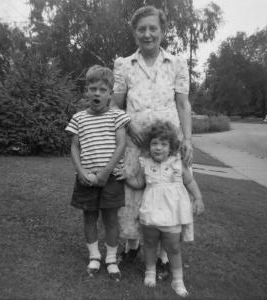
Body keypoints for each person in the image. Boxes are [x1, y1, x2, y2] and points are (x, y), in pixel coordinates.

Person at [112, 5, 193, 273]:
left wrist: (188, 140)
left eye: (152, 28)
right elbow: (116, 106)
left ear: (162, 30)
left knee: (166, 195)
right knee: (133, 196)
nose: (147, 34)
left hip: (168, 147)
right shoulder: (124, 65)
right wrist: (126, 124)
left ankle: (164, 255)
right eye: (141, 29)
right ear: (135, 33)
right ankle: (132, 247)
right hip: (135, 145)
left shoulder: (178, 64)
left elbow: (183, 104)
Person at [116, 120, 204, 297]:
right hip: (150, 212)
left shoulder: (178, 164)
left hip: (172, 214)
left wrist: (198, 198)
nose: (158, 148)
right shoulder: (146, 164)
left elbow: (190, 181)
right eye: (154, 143)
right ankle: (150, 271)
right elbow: (139, 183)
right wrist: (126, 176)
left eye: (164, 144)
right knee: (149, 244)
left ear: (171, 146)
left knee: (173, 247)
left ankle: (178, 280)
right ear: (149, 145)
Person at [65, 65, 131, 281]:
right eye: (93, 88)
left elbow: (121, 145)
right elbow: (74, 147)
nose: (97, 93)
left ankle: (111, 259)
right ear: (86, 91)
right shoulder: (78, 118)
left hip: (110, 178)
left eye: (102, 90)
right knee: (89, 218)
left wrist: (105, 172)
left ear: (110, 94)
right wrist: (81, 171)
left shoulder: (118, 116)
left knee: (111, 220)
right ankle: (94, 256)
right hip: (86, 178)